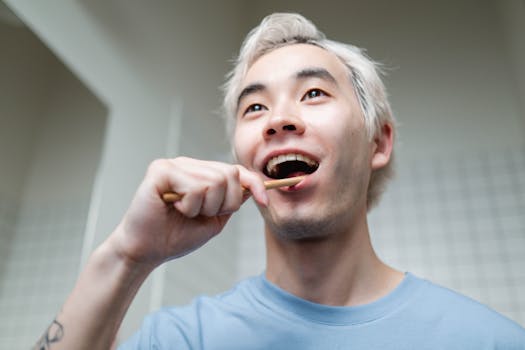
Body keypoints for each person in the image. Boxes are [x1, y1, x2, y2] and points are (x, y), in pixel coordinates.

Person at [35, 13, 525, 350]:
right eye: (255, 107)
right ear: (243, 161)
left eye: (313, 93)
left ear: (378, 143)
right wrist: (127, 255)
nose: (277, 120)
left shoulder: (488, 340)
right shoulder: (183, 339)